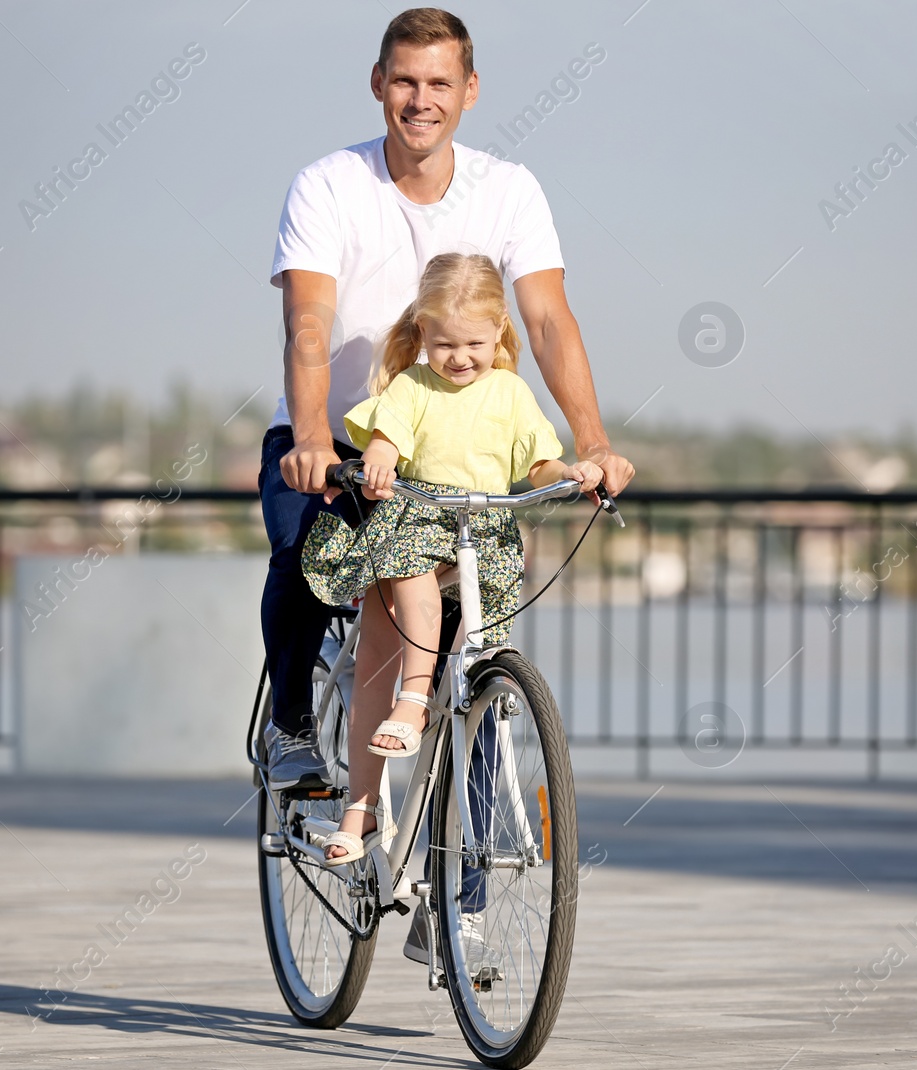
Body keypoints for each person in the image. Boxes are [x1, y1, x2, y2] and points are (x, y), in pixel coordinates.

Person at [260, 7, 634, 793]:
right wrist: (313, 440)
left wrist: (592, 443)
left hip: (462, 456)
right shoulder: (328, 185)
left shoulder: (510, 190)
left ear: (469, 91)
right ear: (377, 84)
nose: (420, 98)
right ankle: (290, 721)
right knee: (304, 554)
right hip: (343, 446)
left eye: (439, 82)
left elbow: (548, 321)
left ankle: (460, 860)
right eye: (404, 80)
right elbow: (308, 327)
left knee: (468, 631)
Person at [301, 253, 601, 864]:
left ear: (499, 335)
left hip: (481, 531)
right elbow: (387, 437)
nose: (459, 357)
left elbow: (535, 462)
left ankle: (445, 738)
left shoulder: (510, 393)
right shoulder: (412, 386)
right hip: (414, 518)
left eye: (473, 343)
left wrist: (568, 473)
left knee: (475, 650)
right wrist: (381, 457)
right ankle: (366, 795)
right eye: (443, 344)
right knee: (383, 653)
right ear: (422, 338)